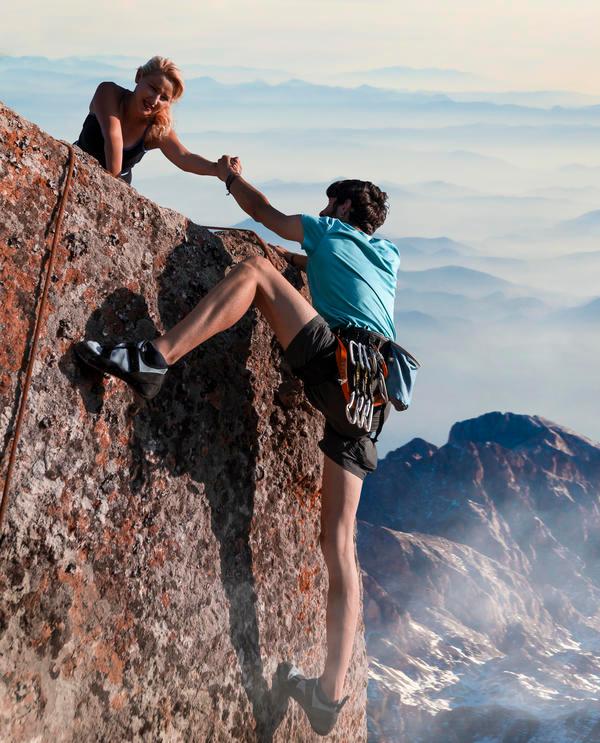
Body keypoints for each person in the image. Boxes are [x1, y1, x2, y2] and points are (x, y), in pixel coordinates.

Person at [74, 157, 399, 736]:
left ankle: (154, 358)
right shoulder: (389, 258)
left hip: (337, 365)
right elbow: (335, 271)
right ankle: (328, 696)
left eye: (329, 204)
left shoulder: (328, 229)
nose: (322, 211)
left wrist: (229, 177)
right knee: (339, 547)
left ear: (344, 207)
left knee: (253, 271)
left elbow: (264, 214)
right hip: (370, 400)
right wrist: (306, 264)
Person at [75, 56, 233, 184]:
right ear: (139, 76)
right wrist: (113, 186)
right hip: (78, 167)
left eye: (164, 98)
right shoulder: (109, 93)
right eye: (153, 88)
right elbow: (113, 138)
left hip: (119, 183)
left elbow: (184, 157)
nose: (155, 100)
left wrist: (218, 169)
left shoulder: (157, 127)